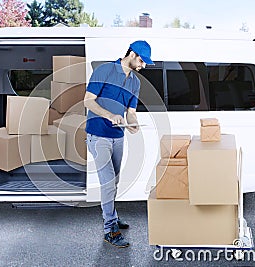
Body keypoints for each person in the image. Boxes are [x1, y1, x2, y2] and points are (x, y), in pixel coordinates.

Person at [84, 40, 154, 248]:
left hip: (118, 137)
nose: (142, 66)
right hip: (98, 136)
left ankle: (111, 215)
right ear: (131, 54)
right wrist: (109, 115)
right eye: (141, 61)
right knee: (107, 182)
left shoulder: (135, 83)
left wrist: (134, 125)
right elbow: (88, 100)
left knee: (113, 182)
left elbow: (131, 112)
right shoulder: (104, 70)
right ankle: (110, 229)